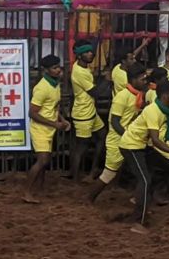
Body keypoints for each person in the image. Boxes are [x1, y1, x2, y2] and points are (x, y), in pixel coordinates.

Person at [118, 80, 169, 233]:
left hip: (142, 146)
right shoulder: (153, 110)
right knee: (145, 180)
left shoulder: (168, 110)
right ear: (166, 95)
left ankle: (141, 197)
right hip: (131, 146)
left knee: (166, 168)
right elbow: (156, 140)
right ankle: (138, 222)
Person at [88, 63, 148, 203]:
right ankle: (90, 198)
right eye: (142, 79)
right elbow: (115, 122)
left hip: (128, 139)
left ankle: (138, 197)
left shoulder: (136, 95)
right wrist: (128, 135)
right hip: (118, 140)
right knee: (108, 174)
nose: (144, 82)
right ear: (133, 80)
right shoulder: (122, 96)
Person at [23, 55, 71, 204]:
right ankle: (27, 193)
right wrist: (55, 124)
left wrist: (62, 120)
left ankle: (39, 188)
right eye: (55, 68)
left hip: (49, 127)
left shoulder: (55, 84)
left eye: (59, 67)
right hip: (40, 129)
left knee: (44, 160)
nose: (58, 70)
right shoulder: (42, 88)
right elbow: (32, 113)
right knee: (43, 160)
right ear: (46, 70)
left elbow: (53, 107)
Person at [70, 40, 107, 182]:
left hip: (90, 110)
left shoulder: (83, 67)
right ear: (79, 55)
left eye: (91, 51)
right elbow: (95, 92)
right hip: (83, 113)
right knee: (82, 146)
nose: (91, 54)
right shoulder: (79, 72)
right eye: (86, 52)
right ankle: (75, 177)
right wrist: (107, 80)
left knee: (102, 136)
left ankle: (93, 169)